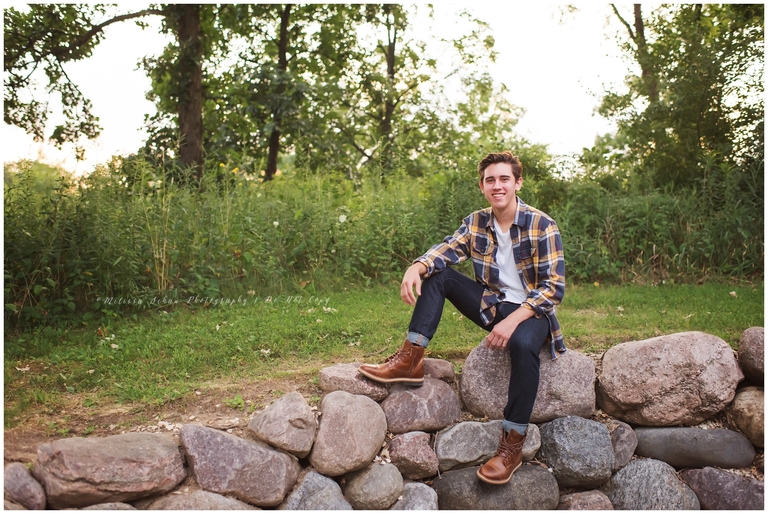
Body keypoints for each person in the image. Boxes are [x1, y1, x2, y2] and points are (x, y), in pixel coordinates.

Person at [358, 151, 565, 485]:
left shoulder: (541, 224)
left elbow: (553, 288)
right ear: (482, 186)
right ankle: (411, 357)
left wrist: (511, 322)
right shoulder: (477, 222)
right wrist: (417, 266)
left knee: (524, 346)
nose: (497, 186)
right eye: (490, 180)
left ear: (518, 183)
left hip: (532, 311)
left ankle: (512, 445)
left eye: (504, 179)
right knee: (438, 275)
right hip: (493, 304)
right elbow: (447, 249)